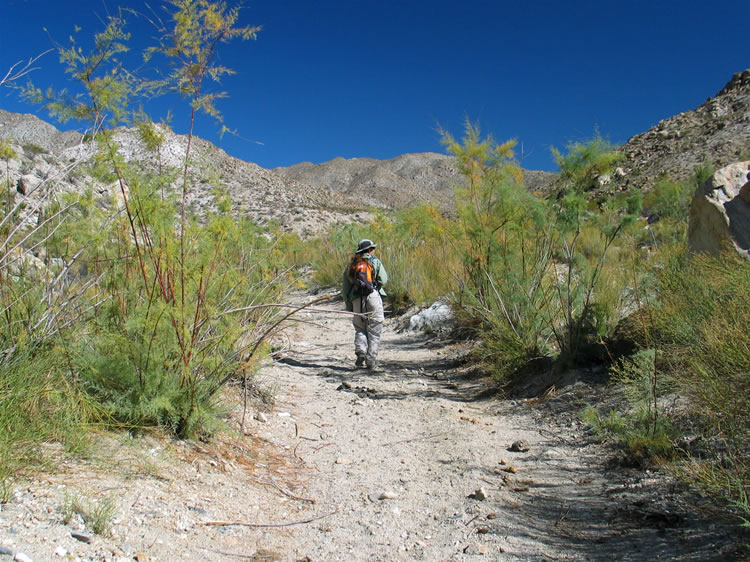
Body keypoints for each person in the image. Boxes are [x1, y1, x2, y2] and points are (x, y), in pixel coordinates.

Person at [342, 239, 388, 369]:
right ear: (369, 250)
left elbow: (345, 288)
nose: (374, 250)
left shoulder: (352, 265)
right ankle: (371, 360)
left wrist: (349, 305)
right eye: (372, 248)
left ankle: (361, 351)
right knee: (374, 329)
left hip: (357, 299)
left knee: (360, 327)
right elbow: (383, 279)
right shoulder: (375, 262)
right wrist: (376, 286)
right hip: (373, 296)